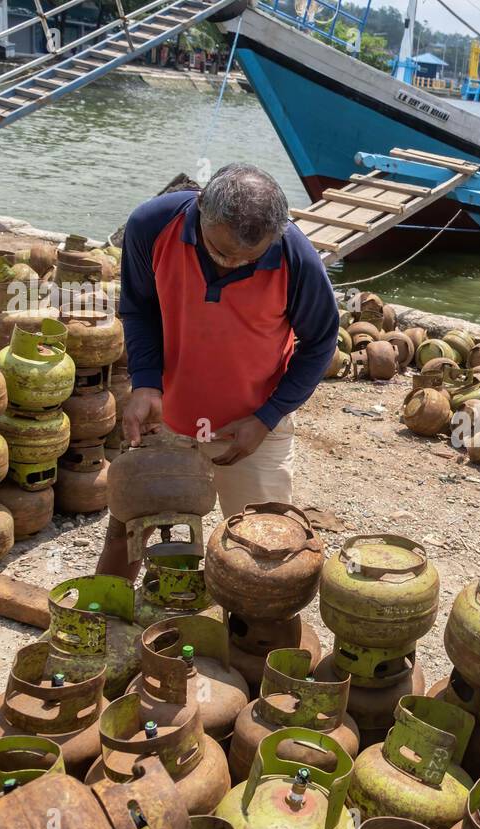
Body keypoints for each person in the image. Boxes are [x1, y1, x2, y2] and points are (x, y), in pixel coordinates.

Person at [96, 163, 339, 579]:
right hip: (168, 411)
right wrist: (147, 383)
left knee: (263, 549)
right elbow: (138, 307)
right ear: (200, 208)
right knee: (134, 521)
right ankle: (105, 619)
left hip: (251, 422)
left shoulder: (296, 257)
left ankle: (250, 633)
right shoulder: (152, 225)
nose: (232, 265)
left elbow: (320, 343)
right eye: (222, 252)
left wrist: (267, 418)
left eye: (250, 259)